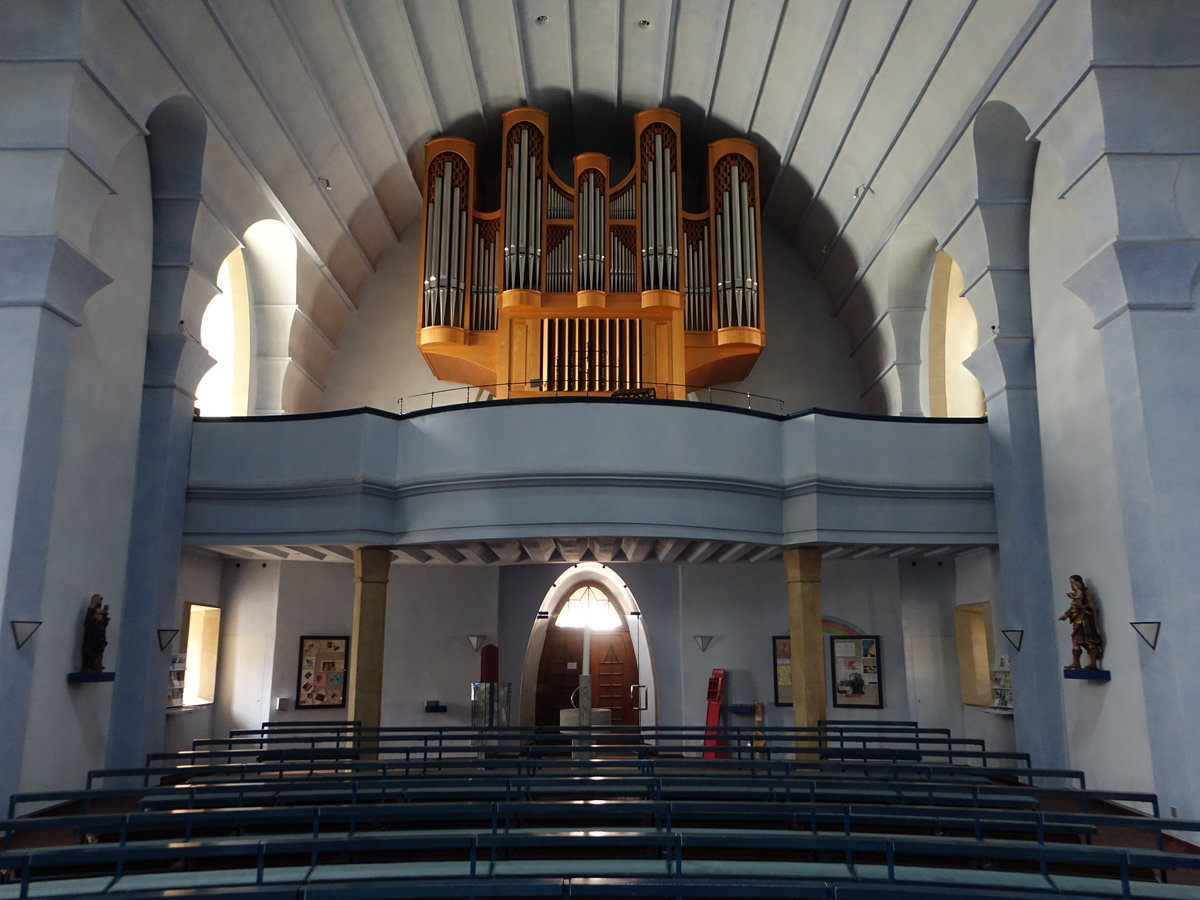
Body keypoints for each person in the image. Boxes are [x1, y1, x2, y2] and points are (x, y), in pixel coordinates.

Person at [1059, 575, 1103, 669]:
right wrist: (1066, 616)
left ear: (1078, 583)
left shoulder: (1085, 594)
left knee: (1089, 640)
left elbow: (1091, 607)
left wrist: (1081, 607)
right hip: (1077, 621)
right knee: (1075, 640)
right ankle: (1076, 663)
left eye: (1073, 583)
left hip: (1086, 621)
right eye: (1071, 584)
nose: (1072, 586)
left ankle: (1093, 664)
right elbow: (1073, 608)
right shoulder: (1076, 595)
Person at [81, 594, 110, 673]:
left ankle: (97, 667)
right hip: (92, 638)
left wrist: (103, 618)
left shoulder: (100, 613)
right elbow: (88, 622)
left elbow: (104, 622)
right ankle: (88, 667)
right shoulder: (91, 611)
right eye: (99, 600)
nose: (100, 602)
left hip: (99, 638)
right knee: (90, 652)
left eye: (101, 600)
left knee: (98, 653)